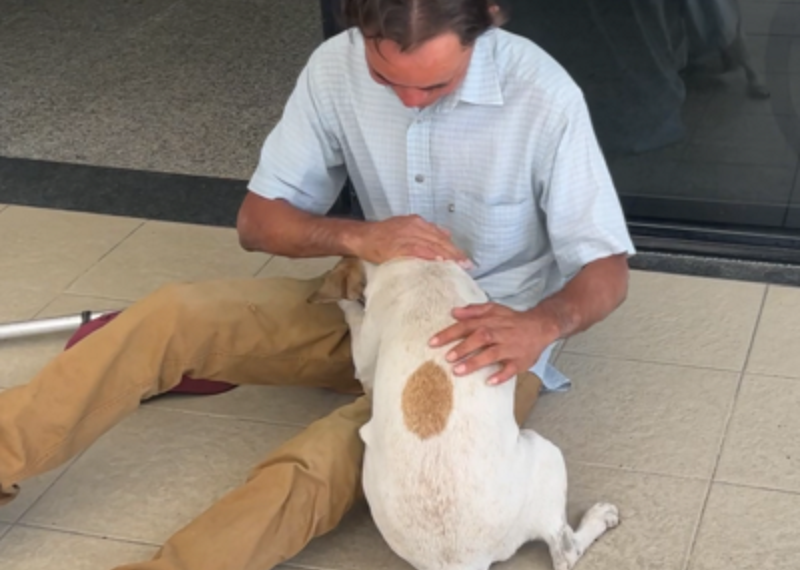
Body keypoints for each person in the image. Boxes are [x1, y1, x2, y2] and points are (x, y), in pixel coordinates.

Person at [0, 1, 634, 569]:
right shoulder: (334, 69)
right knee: (171, 314)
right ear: (355, 25)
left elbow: (606, 269)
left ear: (489, 20)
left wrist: (543, 324)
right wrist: (358, 238)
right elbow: (258, 222)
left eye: (438, 83)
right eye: (388, 81)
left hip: (484, 339)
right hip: (373, 303)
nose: (411, 102)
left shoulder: (544, 95)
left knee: (321, 463)